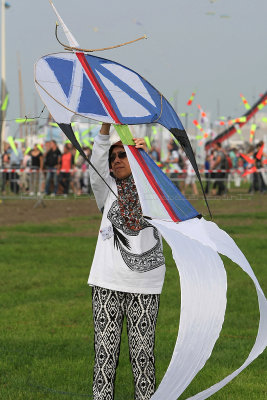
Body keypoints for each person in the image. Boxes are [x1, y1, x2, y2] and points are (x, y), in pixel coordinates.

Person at [88, 123, 166, 400]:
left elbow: (170, 203)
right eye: (114, 158)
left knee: (143, 357)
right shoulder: (105, 189)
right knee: (104, 357)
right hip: (107, 282)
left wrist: (148, 161)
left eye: (123, 155)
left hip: (146, 284)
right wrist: (106, 127)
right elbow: (97, 157)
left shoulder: (154, 191)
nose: (117, 160)